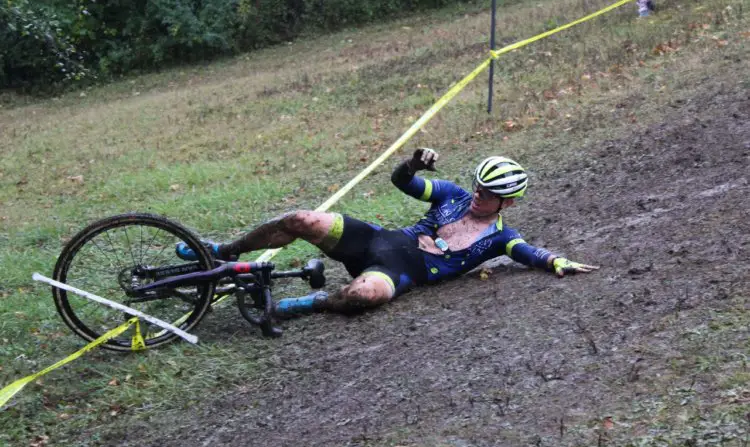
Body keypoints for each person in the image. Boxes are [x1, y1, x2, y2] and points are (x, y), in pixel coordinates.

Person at [176, 149, 599, 316]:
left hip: (399, 273)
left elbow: (529, 253)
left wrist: (556, 261)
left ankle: (310, 302)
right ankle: (221, 251)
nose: (476, 197)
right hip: (376, 239)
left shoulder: (500, 239)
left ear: (507, 203)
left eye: (487, 195)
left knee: (363, 297)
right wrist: (413, 165)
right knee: (299, 219)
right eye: (477, 187)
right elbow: (402, 182)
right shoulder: (450, 195)